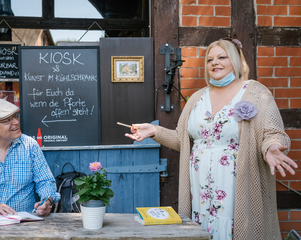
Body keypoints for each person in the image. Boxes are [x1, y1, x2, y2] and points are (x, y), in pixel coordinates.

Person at [125, 38, 298, 240]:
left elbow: (272, 131)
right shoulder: (198, 98)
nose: (214, 62)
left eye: (221, 57)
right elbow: (184, 141)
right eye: (210, 59)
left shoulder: (255, 92)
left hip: (235, 186)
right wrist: (154, 131)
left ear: (234, 60)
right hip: (200, 190)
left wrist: (271, 148)